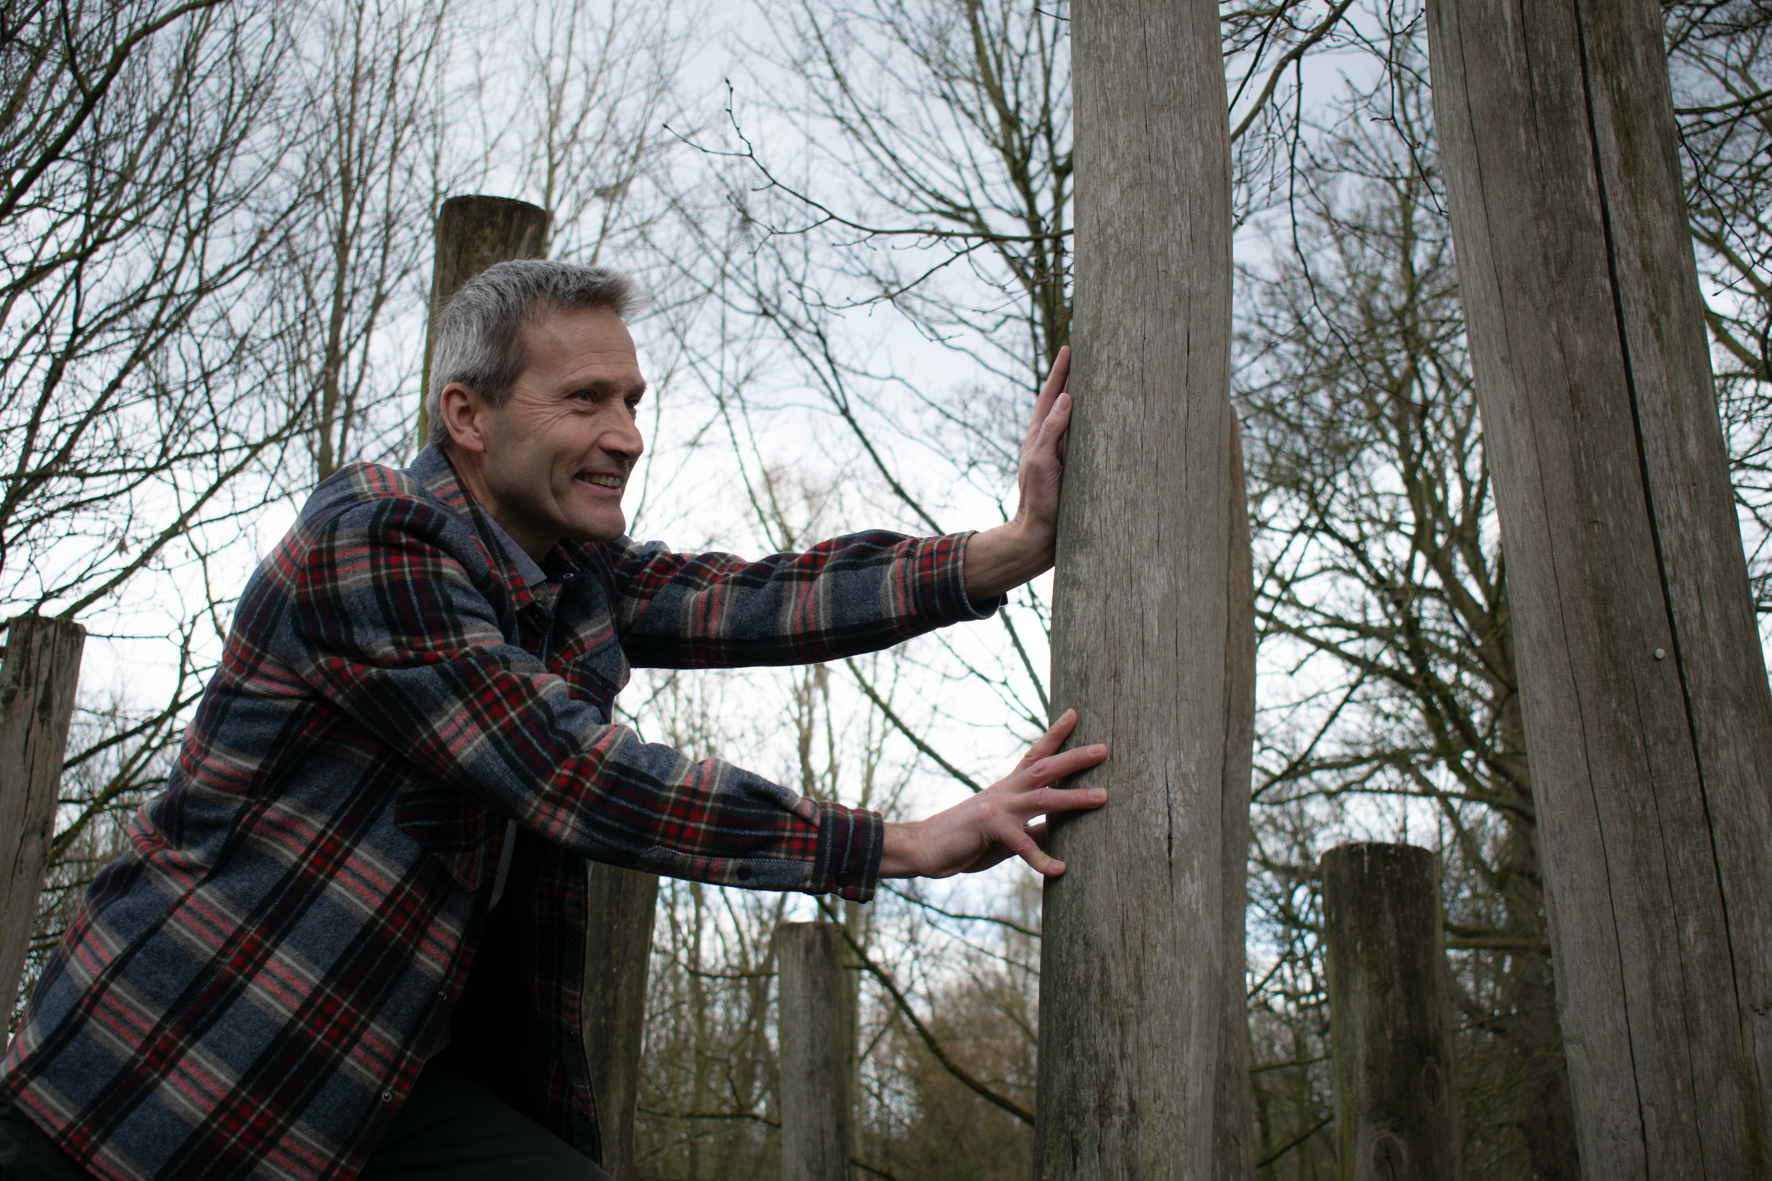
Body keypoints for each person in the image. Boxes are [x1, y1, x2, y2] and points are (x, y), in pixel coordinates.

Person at [0, 262, 1107, 1181]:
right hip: (154, 1088)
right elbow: (574, 773)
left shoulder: (567, 572)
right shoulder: (375, 542)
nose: (625, 434)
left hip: (373, 1083)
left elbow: (755, 594)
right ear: (467, 415)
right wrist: (901, 842)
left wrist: (1006, 548)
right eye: (584, 399)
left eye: (632, 401)